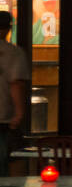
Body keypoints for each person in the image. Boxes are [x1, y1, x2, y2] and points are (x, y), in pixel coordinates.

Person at [0, 12, 30, 174]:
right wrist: (19, 114)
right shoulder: (13, 53)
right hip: (3, 117)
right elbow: (16, 84)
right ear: (8, 29)